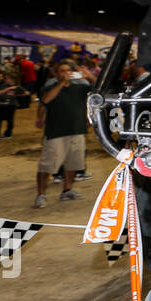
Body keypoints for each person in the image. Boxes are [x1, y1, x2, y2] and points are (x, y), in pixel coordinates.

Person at [34, 59, 91, 208]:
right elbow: (45, 100)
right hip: (56, 132)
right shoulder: (50, 86)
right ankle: (41, 195)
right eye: (62, 71)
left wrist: (89, 76)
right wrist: (61, 84)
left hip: (77, 130)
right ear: (56, 74)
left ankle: (67, 190)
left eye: (68, 71)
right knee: (47, 165)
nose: (66, 73)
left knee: (73, 163)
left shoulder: (80, 87)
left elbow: (100, 90)